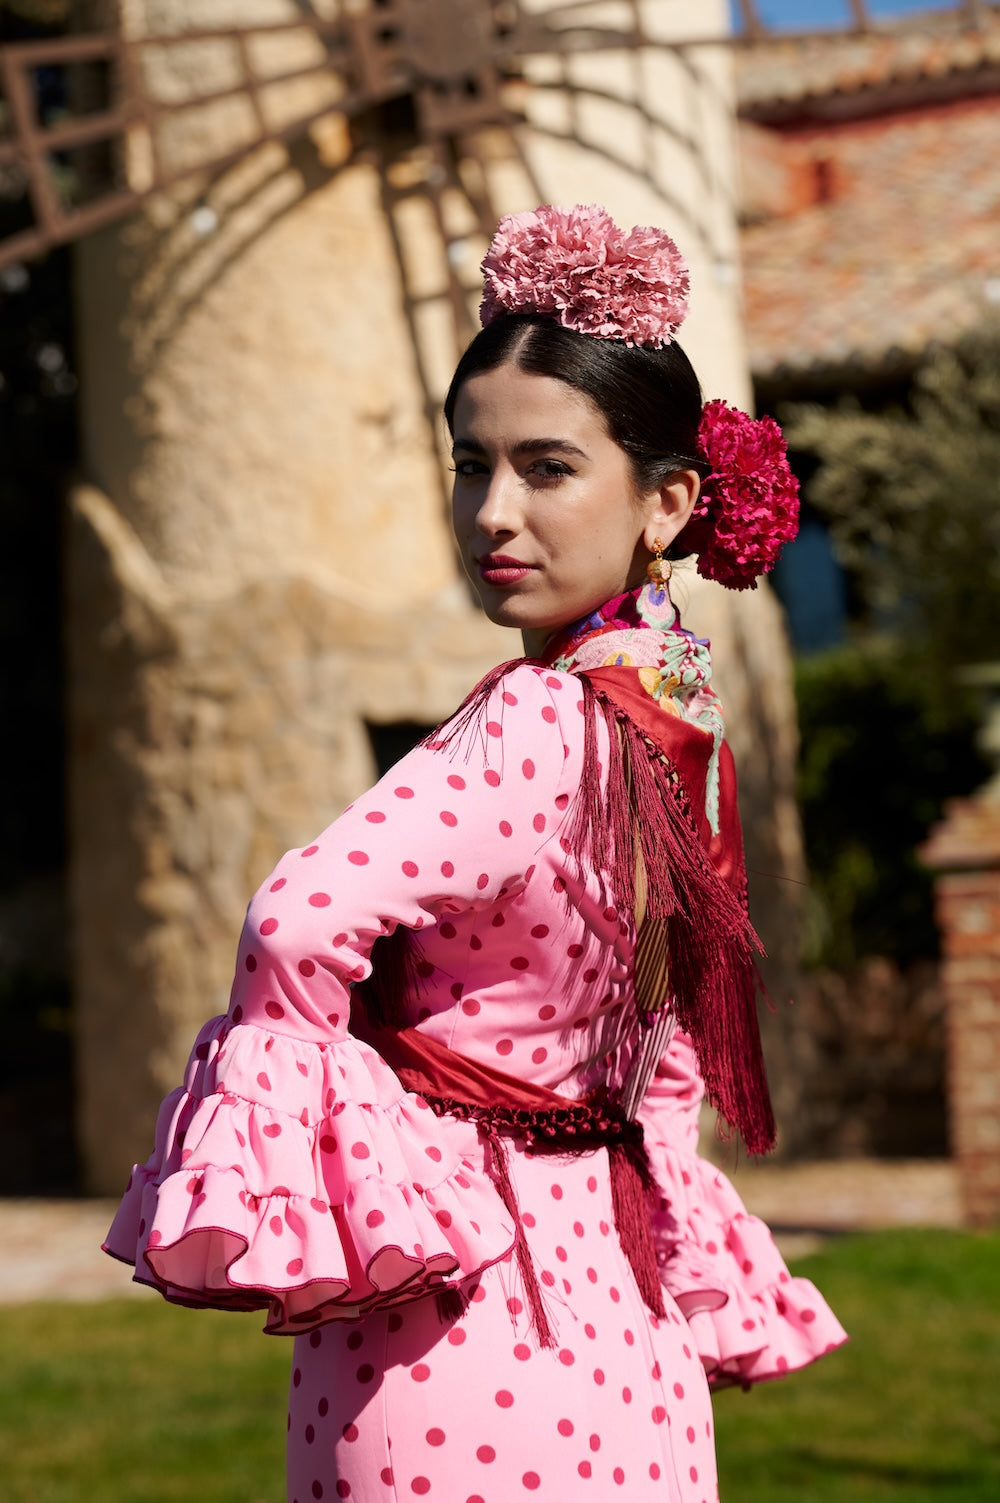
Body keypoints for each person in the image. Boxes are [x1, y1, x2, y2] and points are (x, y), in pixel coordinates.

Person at [105, 203, 846, 1502]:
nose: (493, 512)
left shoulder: (537, 716)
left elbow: (297, 918)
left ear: (669, 500)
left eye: (547, 468)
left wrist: (353, 1167)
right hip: (627, 1325)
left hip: (459, 1328)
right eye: (469, 465)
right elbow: (666, 1057)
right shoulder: (679, 719)